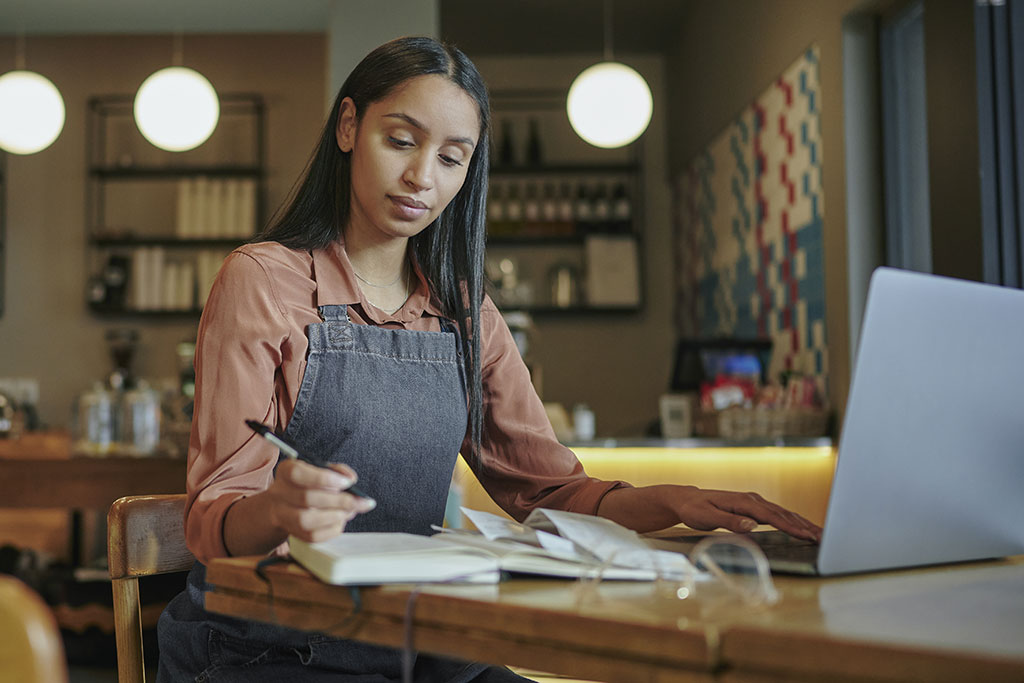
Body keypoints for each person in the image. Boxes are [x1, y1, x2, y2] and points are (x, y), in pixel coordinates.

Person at [157, 36, 822, 683]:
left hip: (414, 636)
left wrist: (672, 501)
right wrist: (276, 510)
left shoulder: (465, 311)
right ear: (349, 126)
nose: (423, 176)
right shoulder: (262, 281)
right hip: (266, 644)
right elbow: (213, 516)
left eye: (452, 158)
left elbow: (549, 492)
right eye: (401, 141)